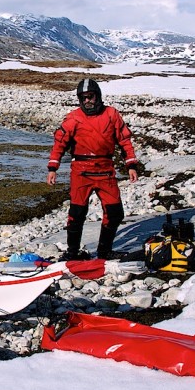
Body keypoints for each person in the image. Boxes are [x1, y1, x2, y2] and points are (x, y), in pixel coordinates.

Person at [46, 78, 139, 260]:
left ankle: (104, 251)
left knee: (115, 213)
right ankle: (72, 253)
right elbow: (59, 144)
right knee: (77, 214)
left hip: (106, 170)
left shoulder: (112, 115)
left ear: (98, 96)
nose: (87, 101)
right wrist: (52, 168)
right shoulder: (73, 119)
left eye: (90, 97)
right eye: (83, 98)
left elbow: (124, 140)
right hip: (81, 172)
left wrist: (131, 165)